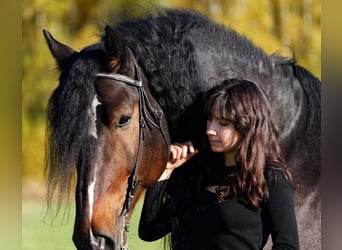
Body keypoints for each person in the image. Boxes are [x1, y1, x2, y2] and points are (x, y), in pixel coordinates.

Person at [138, 78, 300, 250]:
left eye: (223, 123)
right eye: (210, 119)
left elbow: (287, 246)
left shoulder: (270, 176)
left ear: (247, 126)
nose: (210, 129)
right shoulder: (199, 171)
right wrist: (166, 170)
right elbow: (149, 231)